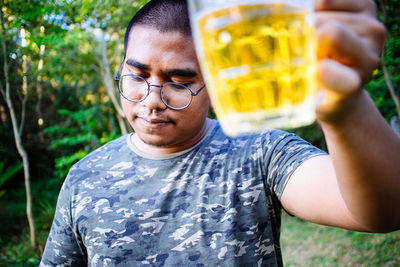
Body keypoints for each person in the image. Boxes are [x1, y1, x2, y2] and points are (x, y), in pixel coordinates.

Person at [40, 0, 400, 266]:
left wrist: (345, 107)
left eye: (179, 83)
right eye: (137, 75)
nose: (151, 101)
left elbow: (385, 211)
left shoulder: (261, 152)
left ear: (215, 86)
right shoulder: (85, 177)